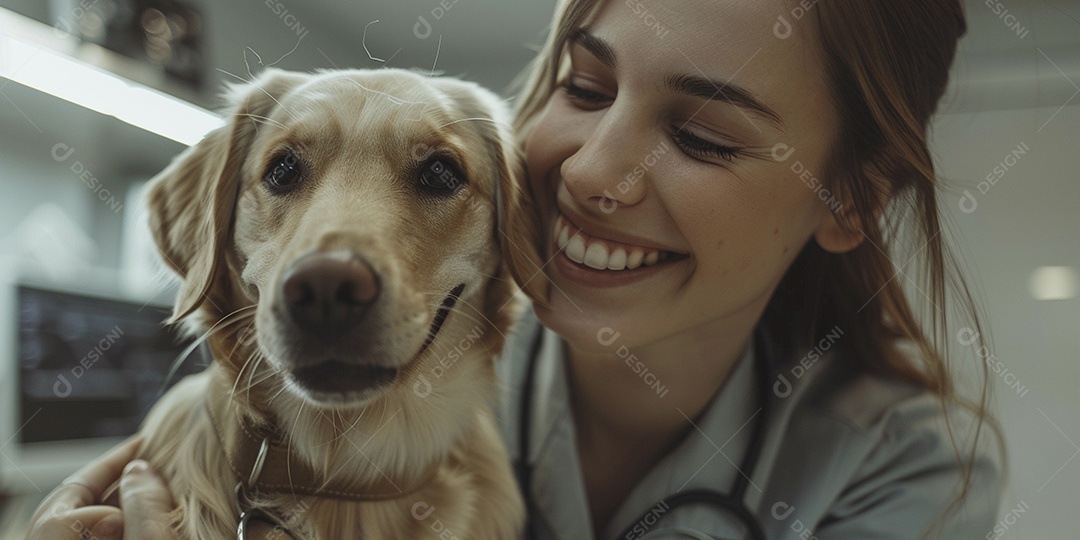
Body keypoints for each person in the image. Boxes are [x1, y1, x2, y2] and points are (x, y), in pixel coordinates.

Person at [25, 1, 1004, 539]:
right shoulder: (401, 350)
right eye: (587, 86)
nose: (590, 172)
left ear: (848, 199)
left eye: (703, 137)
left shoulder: (906, 468)